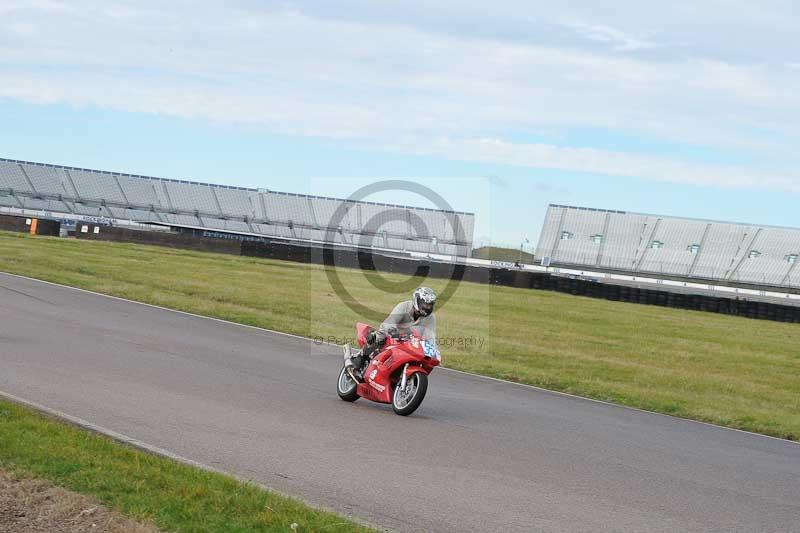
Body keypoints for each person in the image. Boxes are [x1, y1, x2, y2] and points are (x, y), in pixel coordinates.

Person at [346, 287, 437, 372]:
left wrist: (433, 350)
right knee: (380, 337)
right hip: (393, 334)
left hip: (411, 341)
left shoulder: (430, 317)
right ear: (417, 301)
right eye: (425, 304)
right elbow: (389, 323)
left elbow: (430, 336)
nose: (428, 307)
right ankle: (361, 357)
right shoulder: (403, 307)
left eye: (430, 304)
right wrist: (393, 332)